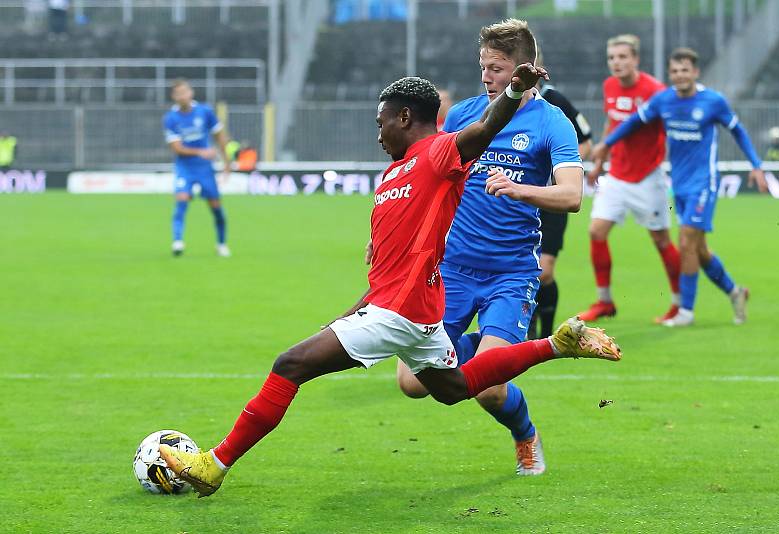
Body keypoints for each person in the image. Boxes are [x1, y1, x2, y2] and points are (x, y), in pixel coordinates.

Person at [159, 70, 622, 497]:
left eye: (381, 123)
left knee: (290, 364)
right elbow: (387, 269)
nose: (377, 134)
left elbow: (482, 130)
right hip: (412, 311)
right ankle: (557, 345)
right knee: (452, 388)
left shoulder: (439, 152)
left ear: (405, 118)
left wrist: (514, 92)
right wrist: (347, 314)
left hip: (400, 312)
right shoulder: (392, 173)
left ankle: (214, 465)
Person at [394, 19, 587, 477]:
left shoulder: (552, 122)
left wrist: (520, 190)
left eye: (496, 69)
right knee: (411, 384)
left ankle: (525, 435)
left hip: (511, 275)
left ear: (523, 70)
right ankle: (484, 347)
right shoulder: (463, 115)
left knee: (488, 389)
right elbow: (426, 179)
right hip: (453, 270)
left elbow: (573, 196)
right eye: (483, 66)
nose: (486, 77)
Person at [590, 47, 767, 327]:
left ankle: (685, 311)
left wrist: (756, 165)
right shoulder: (664, 100)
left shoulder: (713, 101)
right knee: (698, 250)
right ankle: (735, 292)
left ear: (695, 72)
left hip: (703, 184)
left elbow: (738, 130)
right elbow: (634, 122)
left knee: (685, 243)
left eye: (685, 70)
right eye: (674, 71)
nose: (680, 75)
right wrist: (606, 145)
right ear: (670, 75)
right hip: (680, 185)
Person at [581, 34, 681, 324]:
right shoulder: (609, 86)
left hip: (648, 177)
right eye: (612, 58)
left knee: (661, 240)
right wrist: (600, 163)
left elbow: (667, 127)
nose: (616, 63)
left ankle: (678, 304)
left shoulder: (654, 90)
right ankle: (605, 301)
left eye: (623, 57)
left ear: (636, 59)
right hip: (617, 175)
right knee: (596, 231)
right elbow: (612, 123)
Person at [529, 76, 594, 341]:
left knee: (544, 270)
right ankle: (528, 327)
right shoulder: (503, 103)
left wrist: (562, 165)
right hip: (521, 200)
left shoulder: (555, 102)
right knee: (527, 270)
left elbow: (587, 141)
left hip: (553, 199)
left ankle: (547, 331)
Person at [163, 79, 232, 258]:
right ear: (174, 97)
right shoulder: (171, 118)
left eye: (185, 92)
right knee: (182, 199)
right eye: (179, 93)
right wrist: (201, 151)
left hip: (205, 169)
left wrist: (226, 163)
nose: (183, 96)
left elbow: (220, 136)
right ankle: (177, 241)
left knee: (215, 206)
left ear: (191, 93)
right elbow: (177, 148)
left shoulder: (205, 112)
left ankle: (221, 243)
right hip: (185, 167)